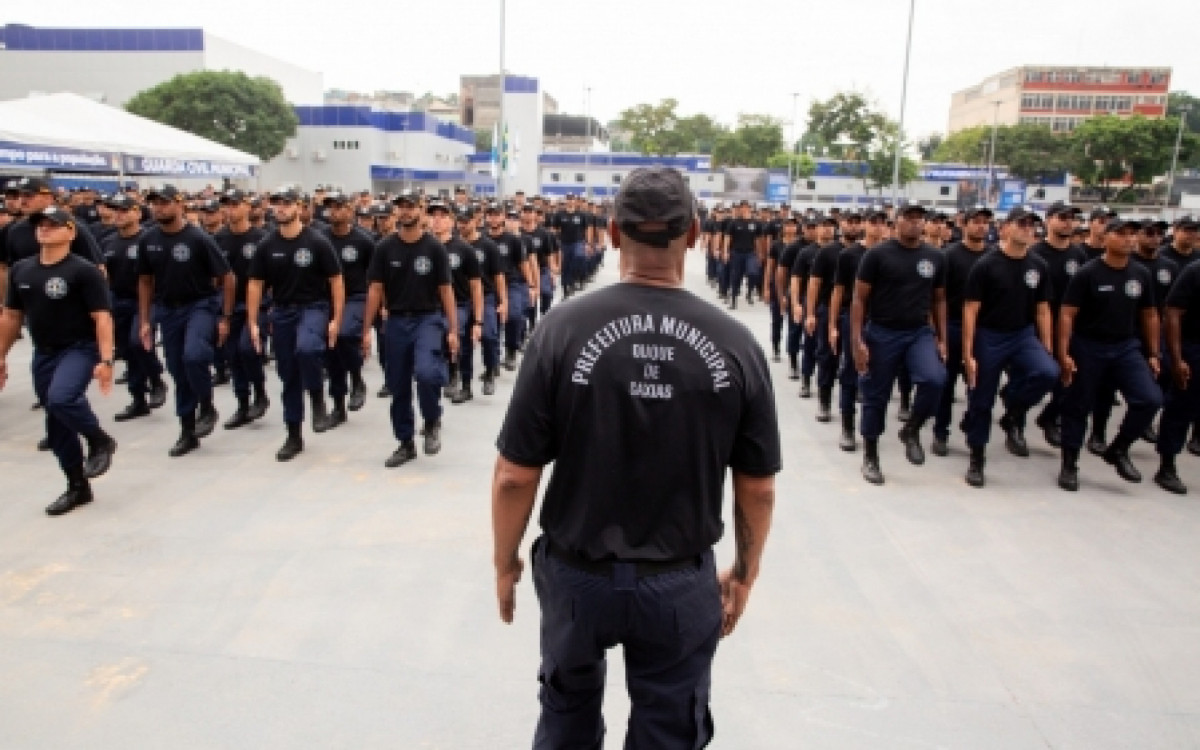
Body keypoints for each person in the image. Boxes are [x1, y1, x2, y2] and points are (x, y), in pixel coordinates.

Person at [491, 167, 779, 748]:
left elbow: (514, 476)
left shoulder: (560, 331)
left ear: (613, 233)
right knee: (670, 729)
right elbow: (759, 487)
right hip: (676, 583)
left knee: (566, 718)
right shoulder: (736, 344)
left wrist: (505, 561)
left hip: (577, 578)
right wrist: (745, 572)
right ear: (695, 233)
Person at [0, 205, 117, 515]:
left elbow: (102, 318)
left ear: (71, 231)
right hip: (45, 352)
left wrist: (106, 360)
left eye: (54, 224)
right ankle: (77, 486)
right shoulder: (22, 270)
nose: (45, 228)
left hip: (79, 347)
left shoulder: (83, 271)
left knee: (62, 398)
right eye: (41, 224)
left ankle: (99, 440)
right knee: (56, 424)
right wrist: (1, 356)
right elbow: (11, 316)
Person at [1056, 218, 1162, 491]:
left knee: (1149, 399)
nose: (1128, 239)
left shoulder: (1140, 274)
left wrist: (1153, 352)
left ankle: (1119, 448)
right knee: (1078, 406)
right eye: (1121, 234)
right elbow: (1067, 314)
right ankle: (1069, 463)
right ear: (1106, 238)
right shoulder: (1088, 273)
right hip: (1089, 345)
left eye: (1132, 234)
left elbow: (1150, 314)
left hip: (1126, 346)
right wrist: (1065, 352)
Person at [959, 207, 1058, 487]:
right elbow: (970, 311)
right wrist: (968, 353)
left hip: (1022, 334)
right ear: (1005, 228)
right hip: (990, 336)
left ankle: (1013, 409)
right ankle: (977, 458)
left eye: (1032, 225)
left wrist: (1046, 347)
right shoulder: (987, 265)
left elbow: (1042, 310)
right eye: (1022, 224)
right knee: (981, 399)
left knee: (1047, 373)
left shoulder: (1038, 266)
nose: (1028, 229)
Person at [851, 201, 948, 485]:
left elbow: (940, 299)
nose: (915, 223)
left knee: (934, 380)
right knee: (875, 397)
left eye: (920, 218)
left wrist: (942, 338)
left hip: (918, 332)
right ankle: (871, 455)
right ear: (897, 221)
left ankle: (912, 428)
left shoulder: (935, 257)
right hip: (882, 332)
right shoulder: (877, 255)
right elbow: (859, 299)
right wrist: (857, 341)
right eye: (909, 217)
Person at [246, 187, 345, 461]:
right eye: (276, 203)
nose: (281, 208)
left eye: (287, 203)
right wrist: (253, 322)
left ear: (299, 207)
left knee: (309, 349)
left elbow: (336, 280)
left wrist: (337, 319)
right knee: (288, 374)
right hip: (282, 311)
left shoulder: (317, 242)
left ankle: (316, 396)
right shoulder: (267, 245)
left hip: (313, 307)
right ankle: (293, 433)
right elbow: (255, 284)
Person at [136, 184, 234, 457]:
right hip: (168, 310)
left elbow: (226, 277)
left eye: (165, 202)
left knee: (194, 356)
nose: (159, 208)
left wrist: (224, 316)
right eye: (155, 203)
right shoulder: (148, 240)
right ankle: (187, 430)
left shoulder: (198, 238)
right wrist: (145, 320)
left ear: (180, 205)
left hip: (200, 305)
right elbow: (145, 281)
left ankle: (206, 403)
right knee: (178, 369)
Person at [362, 191, 458, 468]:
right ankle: (405, 442)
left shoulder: (434, 248)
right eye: (400, 207)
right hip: (395, 322)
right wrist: (366, 329)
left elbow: (446, 290)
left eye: (410, 207)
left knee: (428, 374)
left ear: (420, 210)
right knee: (398, 384)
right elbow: (375, 289)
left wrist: (452, 329)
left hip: (427, 319)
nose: (405, 211)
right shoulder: (384, 248)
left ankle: (431, 421)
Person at [931, 204, 994, 456]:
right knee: (946, 384)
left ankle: (972, 425)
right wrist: (938, 332)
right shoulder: (948, 255)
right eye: (975, 221)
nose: (981, 226)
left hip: (984, 330)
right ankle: (940, 432)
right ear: (963, 224)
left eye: (985, 222)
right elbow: (938, 297)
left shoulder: (992, 257)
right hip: (953, 325)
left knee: (979, 385)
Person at [101, 193, 167, 421]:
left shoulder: (150, 239)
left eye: (123, 210)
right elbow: (104, 275)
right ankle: (138, 398)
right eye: (115, 210)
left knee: (138, 342)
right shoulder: (108, 242)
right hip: (118, 301)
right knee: (127, 351)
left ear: (137, 213)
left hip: (146, 301)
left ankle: (157, 380)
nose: (118, 214)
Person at [1031, 203, 1089, 447]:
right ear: (1048, 221)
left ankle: (1050, 417)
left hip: (1069, 326)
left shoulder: (1079, 256)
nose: (1068, 222)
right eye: (1062, 217)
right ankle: (1015, 418)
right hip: (1036, 324)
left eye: (1072, 218)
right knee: (1036, 375)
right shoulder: (1035, 253)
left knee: (1070, 378)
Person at [213, 189, 271, 429]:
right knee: (233, 355)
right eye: (226, 205)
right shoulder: (218, 239)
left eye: (235, 204)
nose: (230, 209)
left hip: (258, 305)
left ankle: (259, 391)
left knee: (249, 349)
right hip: (229, 305)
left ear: (248, 207)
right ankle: (243, 404)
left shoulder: (262, 238)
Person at [830, 205, 885, 451]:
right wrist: (832, 325)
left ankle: (871, 429)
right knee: (850, 375)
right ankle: (848, 426)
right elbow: (839, 291)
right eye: (873, 222)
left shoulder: (890, 253)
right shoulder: (850, 255)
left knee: (876, 379)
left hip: (883, 322)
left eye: (882, 222)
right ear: (866, 225)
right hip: (853, 319)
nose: (878, 226)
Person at [320, 191, 375, 421]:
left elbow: (375, 280)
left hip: (356, 297)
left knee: (343, 335)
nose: (334, 211)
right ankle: (338, 404)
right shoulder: (321, 239)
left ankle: (357, 378)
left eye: (339, 206)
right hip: (327, 300)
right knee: (331, 351)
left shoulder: (364, 241)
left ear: (350, 211)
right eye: (331, 207)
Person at [432, 203, 483, 404]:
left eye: (442, 216)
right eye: (433, 215)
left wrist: (478, 320)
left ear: (451, 222)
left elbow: (476, 286)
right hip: (432, 306)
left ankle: (466, 384)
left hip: (460, 304)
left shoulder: (464, 249)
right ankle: (449, 374)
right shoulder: (426, 246)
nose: (437, 219)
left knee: (460, 340)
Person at [459, 205, 506, 396]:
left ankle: (489, 372)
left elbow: (498, 276)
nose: (462, 225)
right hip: (461, 299)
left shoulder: (488, 246)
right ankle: (465, 385)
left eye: (466, 221)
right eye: (459, 221)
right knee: (464, 342)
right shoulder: (454, 246)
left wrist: (503, 301)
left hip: (486, 296)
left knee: (488, 335)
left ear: (475, 221)